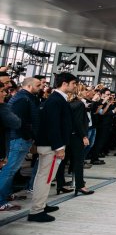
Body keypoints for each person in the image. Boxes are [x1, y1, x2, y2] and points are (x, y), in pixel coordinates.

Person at [28, 72, 78, 222]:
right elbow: (53, 126)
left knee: (44, 177)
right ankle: (36, 211)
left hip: (51, 145)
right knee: (45, 177)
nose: (75, 86)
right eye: (73, 83)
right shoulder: (56, 100)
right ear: (65, 84)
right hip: (51, 146)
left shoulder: (56, 99)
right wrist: (59, 147)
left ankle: (41, 204)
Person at [0, 76, 29, 212]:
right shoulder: (3, 106)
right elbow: (15, 122)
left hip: (7, 142)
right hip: (9, 141)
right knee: (8, 170)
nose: (6, 92)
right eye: (3, 88)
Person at [68, 89, 93, 196]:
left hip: (68, 134)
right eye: (85, 90)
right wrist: (84, 136)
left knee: (63, 161)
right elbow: (78, 121)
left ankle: (61, 184)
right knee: (79, 161)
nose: (87, 93)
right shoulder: (79, 104)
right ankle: (80, 185)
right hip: (77, 136)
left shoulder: (68, 103)